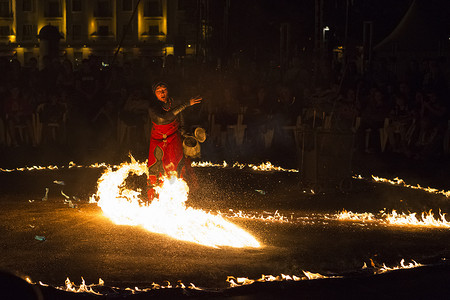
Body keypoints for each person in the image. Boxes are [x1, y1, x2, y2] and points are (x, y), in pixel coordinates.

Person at [147, 81, 202, 200]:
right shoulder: (153, 107)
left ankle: (176, 197)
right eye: (159, 91)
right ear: (155, 94)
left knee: (176, 165)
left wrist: (186, 134)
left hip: (173, 137)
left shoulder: (175, 103)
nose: (162, 92)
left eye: (164, 89)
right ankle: (154, 198)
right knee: (156, 166)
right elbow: (164, 118)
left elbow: (180, 123)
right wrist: (187, 103)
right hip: (158, 139)